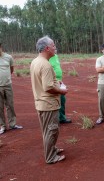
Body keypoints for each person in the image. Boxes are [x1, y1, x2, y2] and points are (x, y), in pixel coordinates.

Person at [30, 36, 67, 164]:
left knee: (49, 130)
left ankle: (52, 149)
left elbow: (45, 82)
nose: (55, 48)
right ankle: (50, 157)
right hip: (48, 104)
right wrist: (62, 91)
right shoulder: (45, 64)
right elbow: (48, 87)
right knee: (51, 130)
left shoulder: (36, 61)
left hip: (41, 103)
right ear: (47, 48)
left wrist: (57, 81)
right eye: (53, 46)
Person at [0, 43, 23, 135]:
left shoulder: (8, 57)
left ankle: (12, 124)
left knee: (10, 105)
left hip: (8, 85)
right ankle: (2, 126)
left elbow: (11, 69)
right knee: (0, 107)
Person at [49, 53, 72, 124]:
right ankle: (53, 119)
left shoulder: (55, 56)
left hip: (59, 81)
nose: (55, 48)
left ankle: (61, 118)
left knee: (62, 99)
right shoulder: (47, 58)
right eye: (53, 46)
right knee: (53, 100)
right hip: (52, 82)